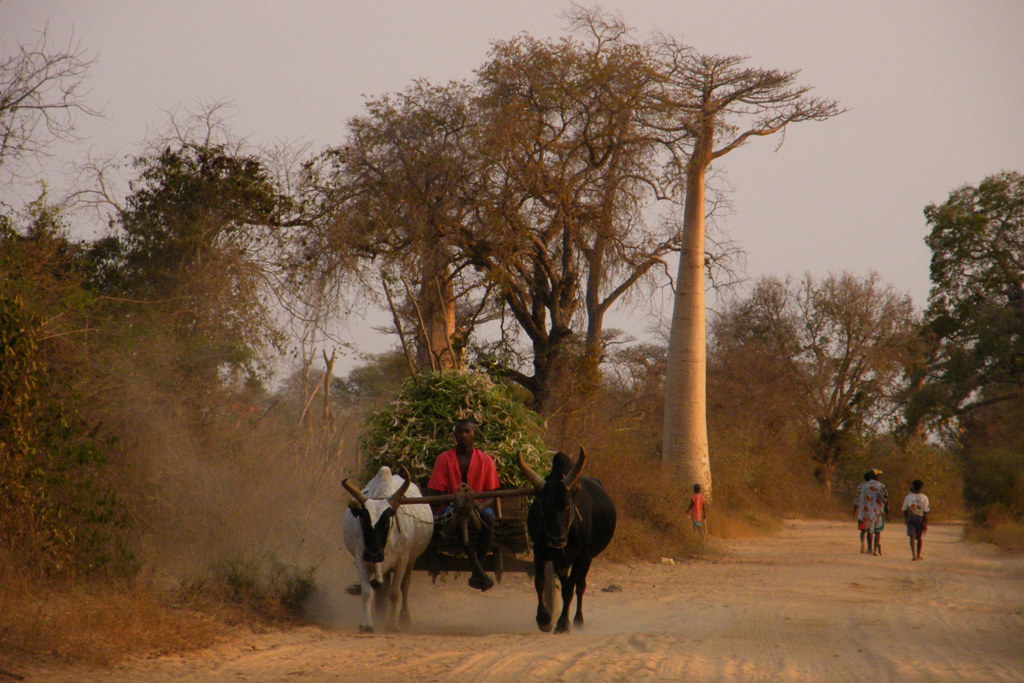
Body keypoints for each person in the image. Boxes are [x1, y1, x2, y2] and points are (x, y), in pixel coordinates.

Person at [424, 418, 501, 590]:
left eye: (468, 431)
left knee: (489, 520)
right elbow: (438, 493)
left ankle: (477, 569)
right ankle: (479, 571)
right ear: (454, 435)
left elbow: (493, 494)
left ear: (474, 434)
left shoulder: (486, 460)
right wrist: (456, 501)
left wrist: (480, 506)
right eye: (460, 431)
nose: (464, 435)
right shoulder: (444, 459)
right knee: (457, 518)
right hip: (451, 507)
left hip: (480, 505)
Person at [853, 469, 888, 555]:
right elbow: (885, 499)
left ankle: (865, 546)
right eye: (878, 476)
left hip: (864, 512)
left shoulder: (862, 486)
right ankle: (875, 549)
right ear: (875, 476)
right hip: (877, 512)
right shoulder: (881, 486)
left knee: (865, 530)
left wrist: (855, 510)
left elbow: (857, 499)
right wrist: (887, 512)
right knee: (877, 531)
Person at [901, 479, 930, 561]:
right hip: (920, 518)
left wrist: (906, 519)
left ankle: (913, 555)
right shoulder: (924, 497)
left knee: (912, 537)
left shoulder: (908, 497)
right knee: (919, 537)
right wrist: (925, 523)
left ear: (913, 486)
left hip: (911, 517)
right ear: (921, 487)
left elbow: (904, 509)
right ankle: (918, 554)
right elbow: (926, 512)